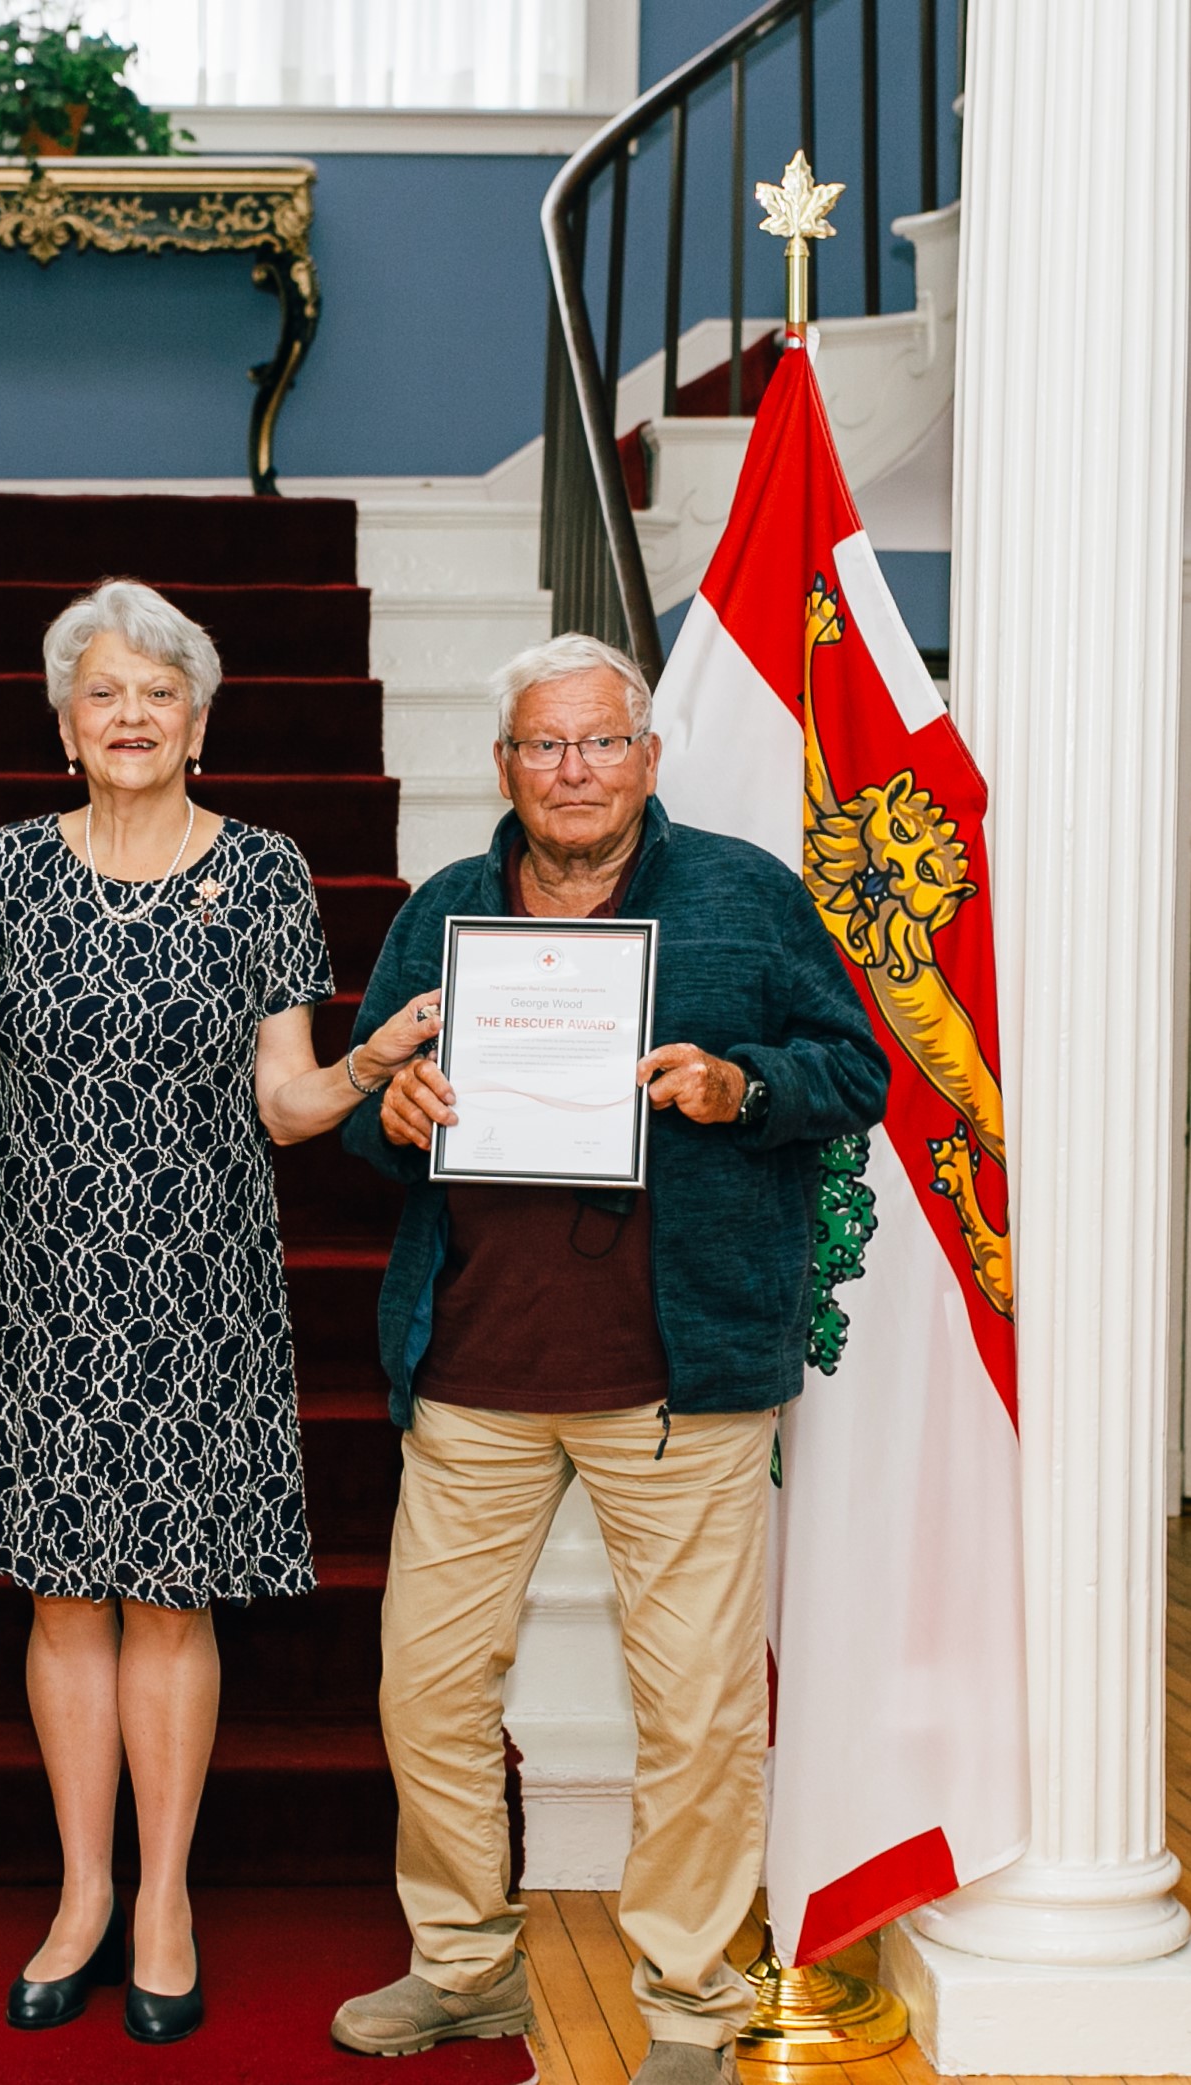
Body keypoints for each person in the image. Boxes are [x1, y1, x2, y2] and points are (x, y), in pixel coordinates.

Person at [326, 634, 889, 2081]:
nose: (569, 771)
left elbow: (855, 1072)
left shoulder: (744, 894)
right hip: (470, 1370)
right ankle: (462, 1966)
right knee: (428, 1690)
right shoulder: (446, 907)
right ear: (502, 763)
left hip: (677, 1377)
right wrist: (385, 1115)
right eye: (540, 745)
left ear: (645, 755)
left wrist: (735, 1083)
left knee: (694, 1707)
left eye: (597, 742)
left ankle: (691, 2002)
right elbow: (360, 1095)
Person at [0, 578, 437, 2047]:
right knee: (65, 1593)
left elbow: (284, 1098)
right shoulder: (6, 864)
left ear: (199, 719)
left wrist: (372, 1059)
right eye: (102, 692)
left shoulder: (263, 869)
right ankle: (79, 1892)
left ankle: (163, 1901)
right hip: (39, 1277)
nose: (130, 715)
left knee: (170, 1596)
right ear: (64, 723)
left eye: (157, 692)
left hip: (196, 1285)